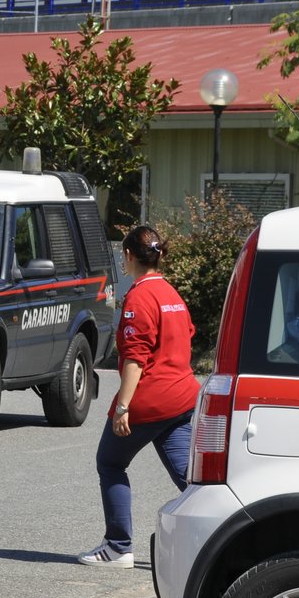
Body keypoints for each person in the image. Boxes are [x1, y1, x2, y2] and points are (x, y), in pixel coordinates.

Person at [77, 225, 199, 568]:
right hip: (184, 396)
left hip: (153, 398)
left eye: (123, 254)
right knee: (191, 478)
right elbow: (185, 337)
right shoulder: (171, 294)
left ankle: (118, 546)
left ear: (129, 256)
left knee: (110, 462)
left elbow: (134, 357)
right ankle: (225, 536)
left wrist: (123, 407)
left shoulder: (140, 296)